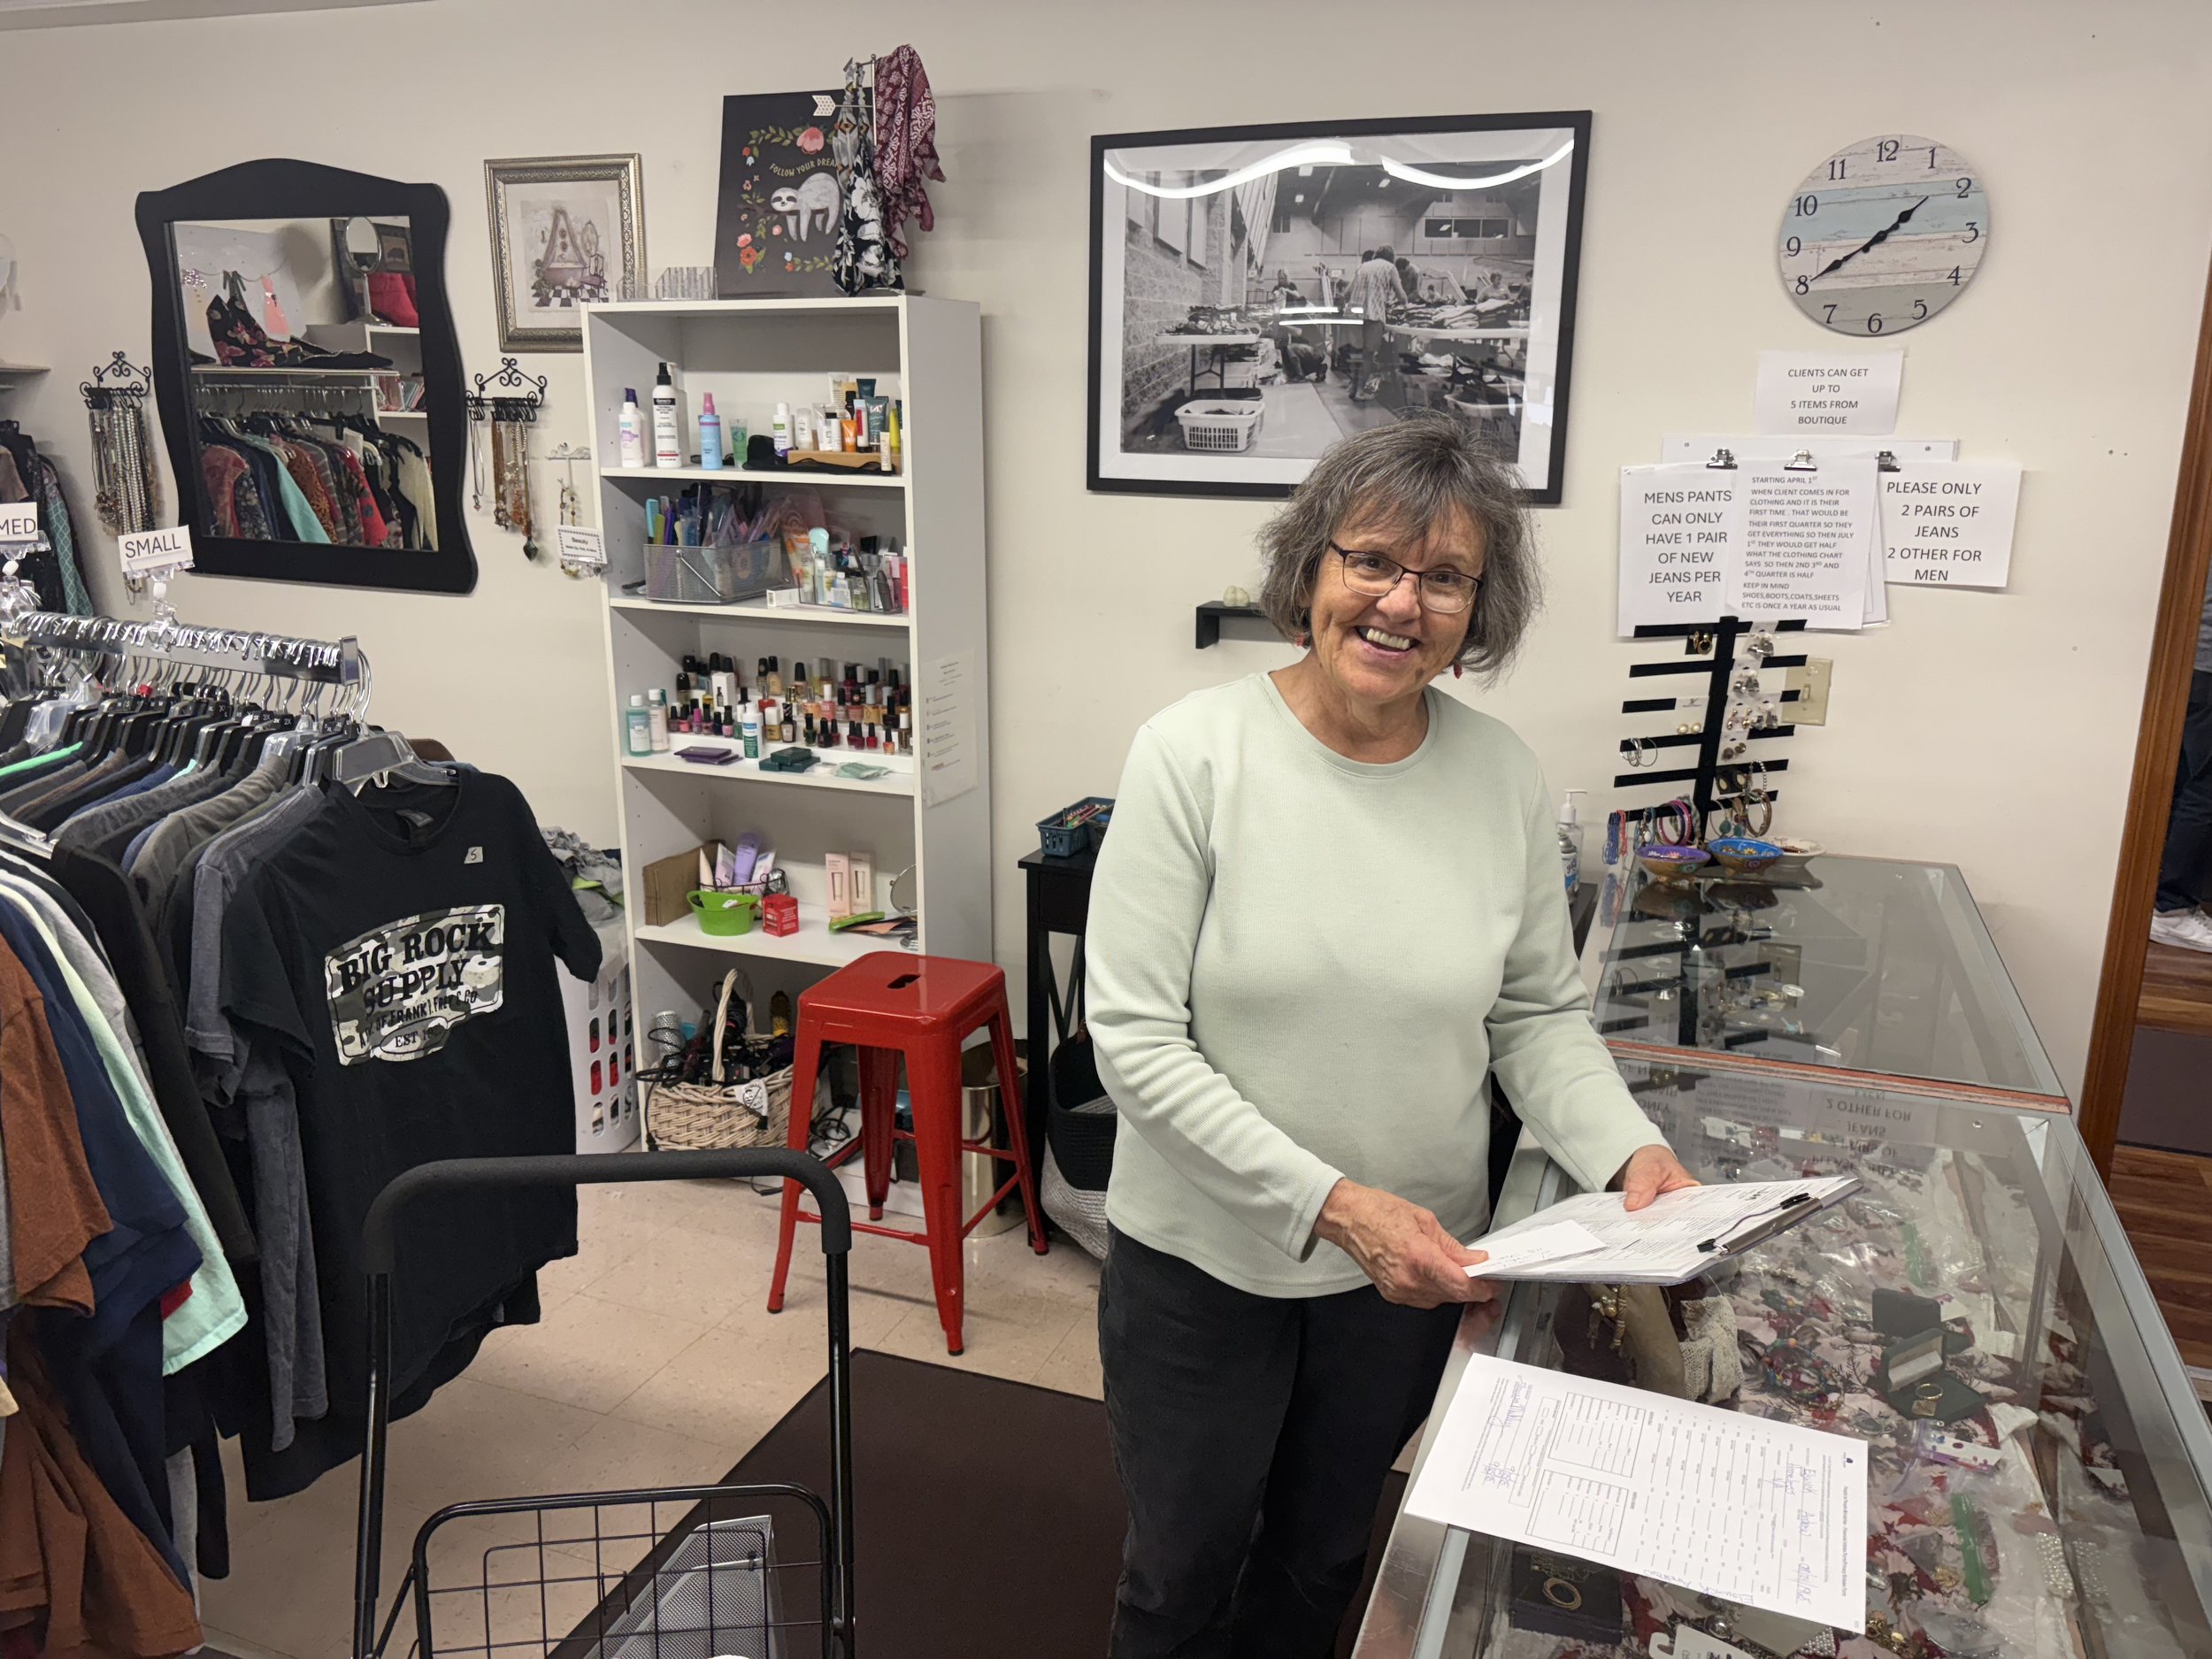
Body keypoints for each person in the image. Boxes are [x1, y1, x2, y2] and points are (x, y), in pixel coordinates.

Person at [1087, 418, 1698, 1658]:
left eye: (1445, 577)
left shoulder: (1502, 777)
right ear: (1310, 566)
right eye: (1370, 559)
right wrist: (1335, 1203)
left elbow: (1534, 1016)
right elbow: (1136, 1044)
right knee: (1182, 1565)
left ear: (1481, 608)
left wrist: (1631, 1154)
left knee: (1323, 1553)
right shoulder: (1192, 756)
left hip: (1409, 1270)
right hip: (1204, 1263)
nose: (1399, 601)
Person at [2152, 569, 2212, 950]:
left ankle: (2161, 900)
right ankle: (2170, 909)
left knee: (2187, 782)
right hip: (2206, 664)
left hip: (2192, 663)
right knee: (2204, 793)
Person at [1341, 244, 1409, 401]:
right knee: (1368, 354)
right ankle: (1359, 391)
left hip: (1353, 313)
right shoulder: (1390, 268)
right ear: (1391, 257)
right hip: (1373, 313)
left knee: (1356, 353)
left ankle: (1352, 387)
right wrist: (1403, 301)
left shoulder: (1363, 266)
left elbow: (1347, 293)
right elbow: (1401, 296)